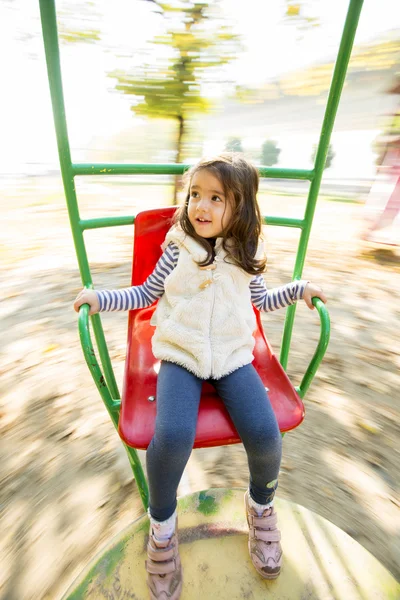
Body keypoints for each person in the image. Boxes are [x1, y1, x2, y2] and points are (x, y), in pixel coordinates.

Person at [74, 153, 327, 599]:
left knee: (267, 435)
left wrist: (298, 290)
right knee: (171, 436)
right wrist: (101, 298)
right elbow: (147, 293)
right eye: (195, 194)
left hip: (232, 355)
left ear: (242, 208)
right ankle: (163, 527)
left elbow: (261, 301)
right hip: (182, 353)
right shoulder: (178, 248)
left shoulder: (247, 253)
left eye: (215, 198)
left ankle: (261, 509)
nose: (200, 207)